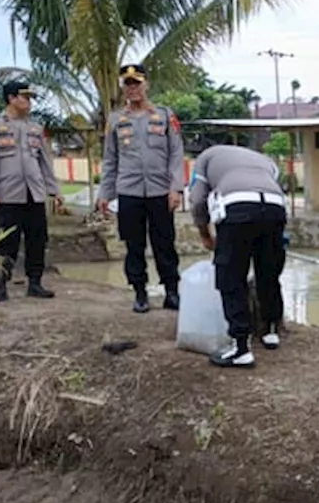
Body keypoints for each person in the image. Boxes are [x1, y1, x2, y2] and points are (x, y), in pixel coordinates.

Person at [188, 144, 289, 368]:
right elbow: (274, 187)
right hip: (275, 209)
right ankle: (270, 331)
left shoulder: (205, 157)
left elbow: (197, 200)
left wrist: (205, 234)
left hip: (237, 208)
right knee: (268, 272)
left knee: (231, 276)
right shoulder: (265, 161)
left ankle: (241, 347)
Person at [96, 63, 185, 314]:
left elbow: (176, 154)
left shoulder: (165, 116)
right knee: (133, 245)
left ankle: (171, 291)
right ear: (123, 88)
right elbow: (110, 159)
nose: (133, 88)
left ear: (146, 84)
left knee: (165, 244)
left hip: (160, 191)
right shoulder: (115, 120)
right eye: (128, 84)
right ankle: (140, 293)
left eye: (137, 82)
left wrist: (175, 188)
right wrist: (105, 193)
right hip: (129, 191)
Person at [0, 80, 63, 302]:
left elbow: (44, 161)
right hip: (7, 195)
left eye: (30, 97)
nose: (29, 101)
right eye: (24, 97)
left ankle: (35, 283)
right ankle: (1, 286)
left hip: (33, 194)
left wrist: (54, 190)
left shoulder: (34, 127)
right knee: (7, 242)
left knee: (37, 239)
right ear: (11, 98)